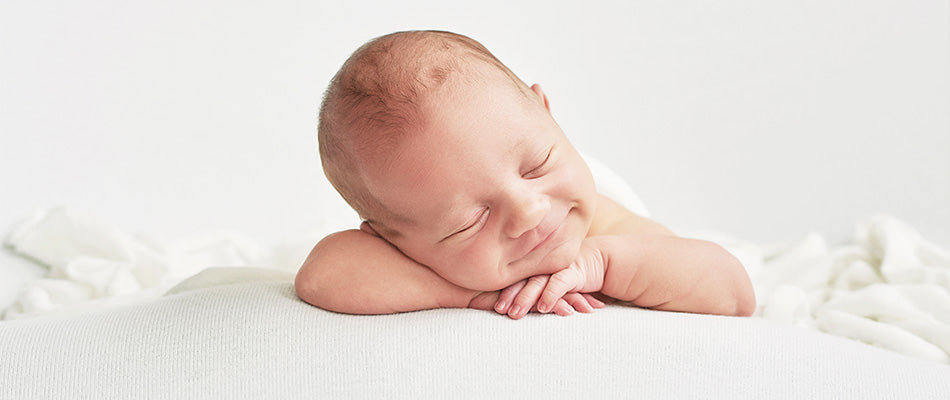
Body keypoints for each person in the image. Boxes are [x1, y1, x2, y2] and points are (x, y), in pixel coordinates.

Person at [295, 30, 755, 319]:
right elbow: (321, 276)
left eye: (537, 165)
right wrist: (469, 293)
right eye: (468, 221)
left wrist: (597, 263)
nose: (528, 211)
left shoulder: (603, 222)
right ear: (393, 240)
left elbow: (733, 292)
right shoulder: (415, 249)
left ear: (547, 112)